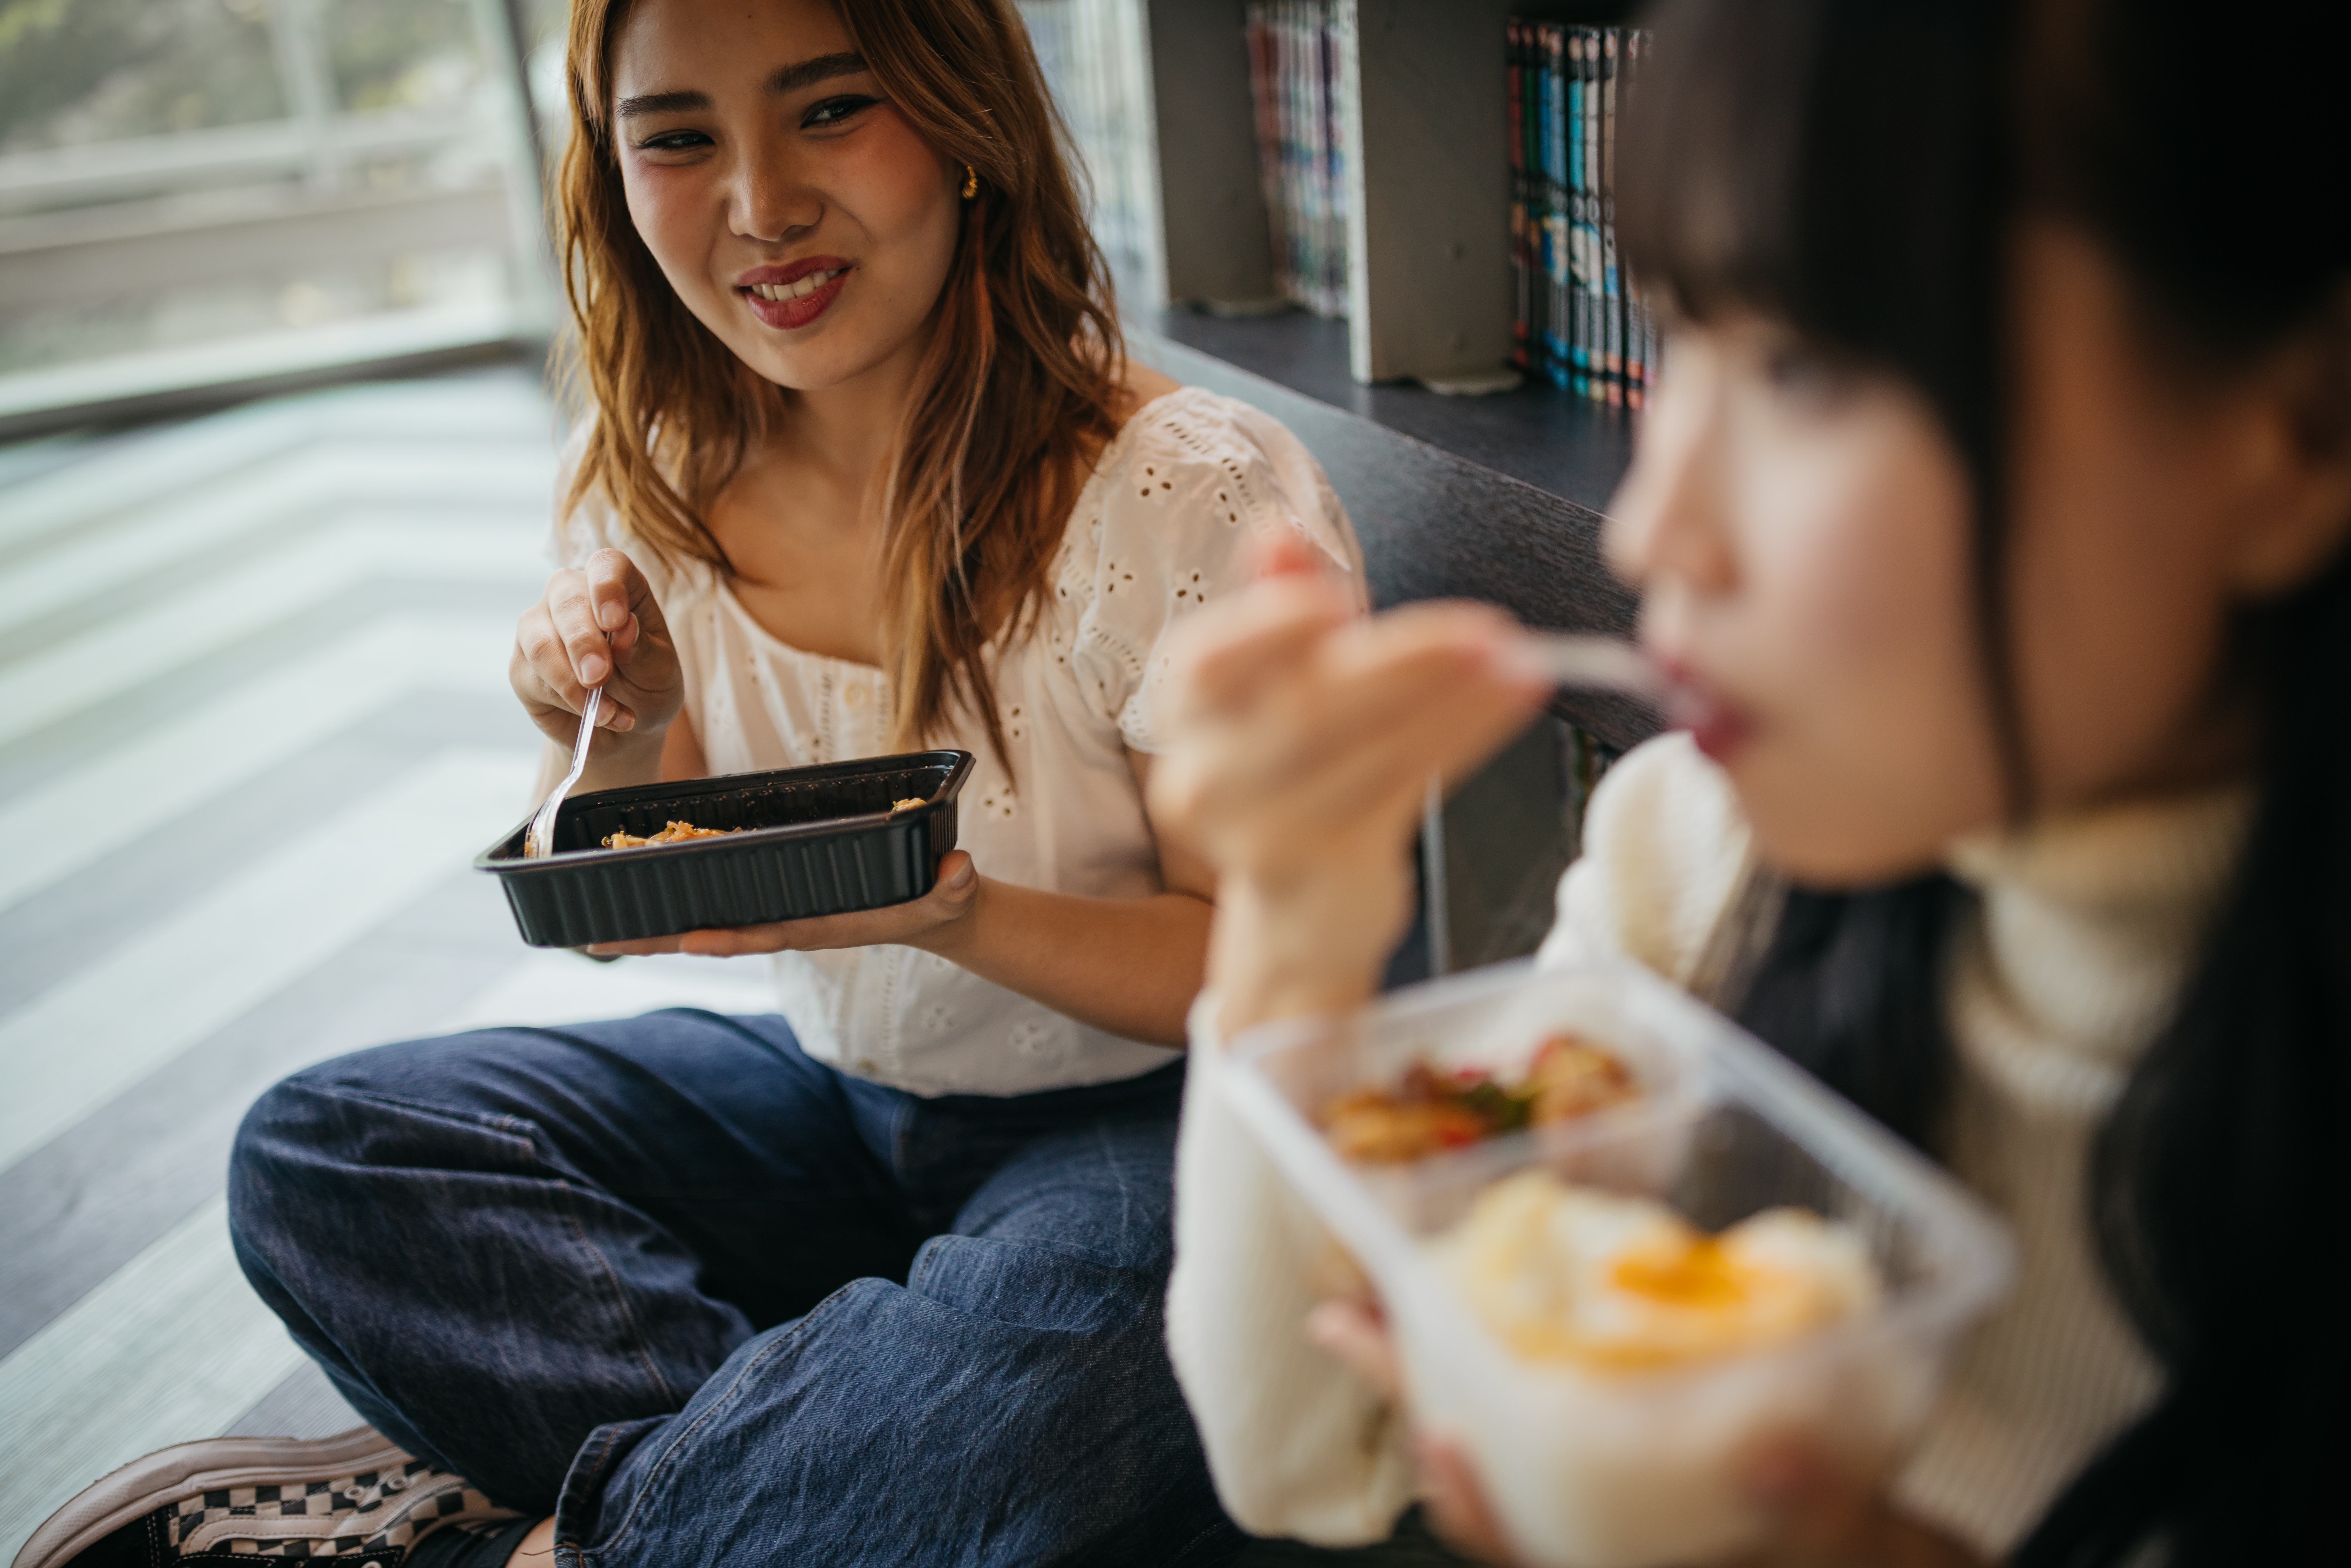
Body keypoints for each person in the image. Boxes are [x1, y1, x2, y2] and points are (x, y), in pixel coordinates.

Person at [14, 2, 1359, 1565]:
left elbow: (1249, 968)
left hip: (1144, 1124)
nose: (760, 203)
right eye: (677, 138)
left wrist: (948, 909)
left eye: (832, 108)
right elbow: (615, 910)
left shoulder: (1183, 489)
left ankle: (561, 1533)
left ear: (967, 119)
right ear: (611, 170)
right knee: (328, 1150)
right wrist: (619, 728)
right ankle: (814, 1458)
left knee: (1124, 1328)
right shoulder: (658, 462)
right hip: (840, 1104)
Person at [1150, 0, 2349, 1563]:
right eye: (1675, 338)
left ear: (2303, 430)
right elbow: (1306, 1449)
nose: (1651, 533)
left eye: (1800, 364)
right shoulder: (1697, 863)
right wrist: (1297, 933)